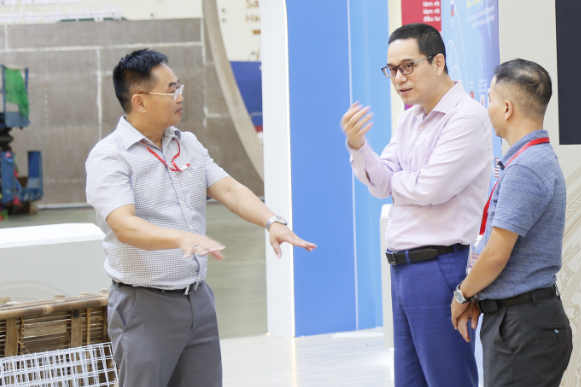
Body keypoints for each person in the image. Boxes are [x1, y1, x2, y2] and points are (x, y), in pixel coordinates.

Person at [86, 49, 316, 387]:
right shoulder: (110, 157)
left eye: (179, 87)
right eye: (171, 90)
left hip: (198, 299)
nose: (181, 97)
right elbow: (123, 225)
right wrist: (181, 237)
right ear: (140, 101)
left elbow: (230, 190)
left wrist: (272, 221)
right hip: (144, 305)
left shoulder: (187, 144)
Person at [340, 23, 492, 387]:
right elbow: (382, 184)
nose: (398, 78)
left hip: (440, 267)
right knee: (409, 381)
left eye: (408, 66)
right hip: (403, 269)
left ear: (438, 62)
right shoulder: (409, 118)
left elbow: (431, 188)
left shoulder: (467, 117)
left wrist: (401, 181)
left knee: (448, 379)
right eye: (392, 69)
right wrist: (359, 147)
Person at [450, 59, 572, 387]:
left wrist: (462, 294)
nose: (486, 106)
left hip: (522, 325)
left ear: (506, 108)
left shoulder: (525, 168)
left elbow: (495, 255)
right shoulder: (530, 160)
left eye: (489, 98)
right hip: (520, 321)